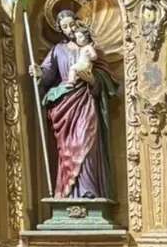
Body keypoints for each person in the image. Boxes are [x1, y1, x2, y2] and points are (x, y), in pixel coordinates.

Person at [29, 12, 117, 199]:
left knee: (85, 142)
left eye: (72, 25)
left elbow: (105, 78)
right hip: (64, 104)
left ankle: (89, 191)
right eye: (65, 27)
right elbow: (48, 73)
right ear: (60, 29)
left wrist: (92, 79)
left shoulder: (92, 48)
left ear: (78, 23)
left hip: (85, 101)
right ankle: (70, 195)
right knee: (69, 149)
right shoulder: (57, 50)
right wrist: (39, 72)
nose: (70, 30)